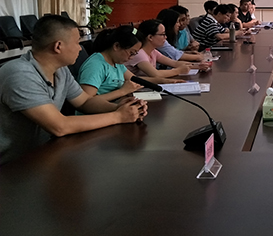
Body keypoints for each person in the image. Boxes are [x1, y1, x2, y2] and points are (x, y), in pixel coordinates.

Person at [0, 15, 147, 165]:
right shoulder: (19, 74)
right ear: (58, 46)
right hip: (11, 167)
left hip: (42, 156)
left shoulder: (61, 70)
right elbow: (59, 126)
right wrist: (119, 116)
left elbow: (85, 102)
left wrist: (121, 107)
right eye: (77, 42)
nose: (80, 48)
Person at [78, 25, 145, 101]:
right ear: (116, 46)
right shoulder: (95, 65)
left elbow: (135, 80)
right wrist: (122, 91)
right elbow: (87, 101)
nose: (131, 58)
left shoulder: (117, 63)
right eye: (131, 53)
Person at [126, 19, 196, 78]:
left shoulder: (153, 51)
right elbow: (156, 74)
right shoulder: (139, 53)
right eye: (162, 34)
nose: (165, 37)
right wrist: (178, 71)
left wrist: (197, 66)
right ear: (150, 37)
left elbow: (174, 63)